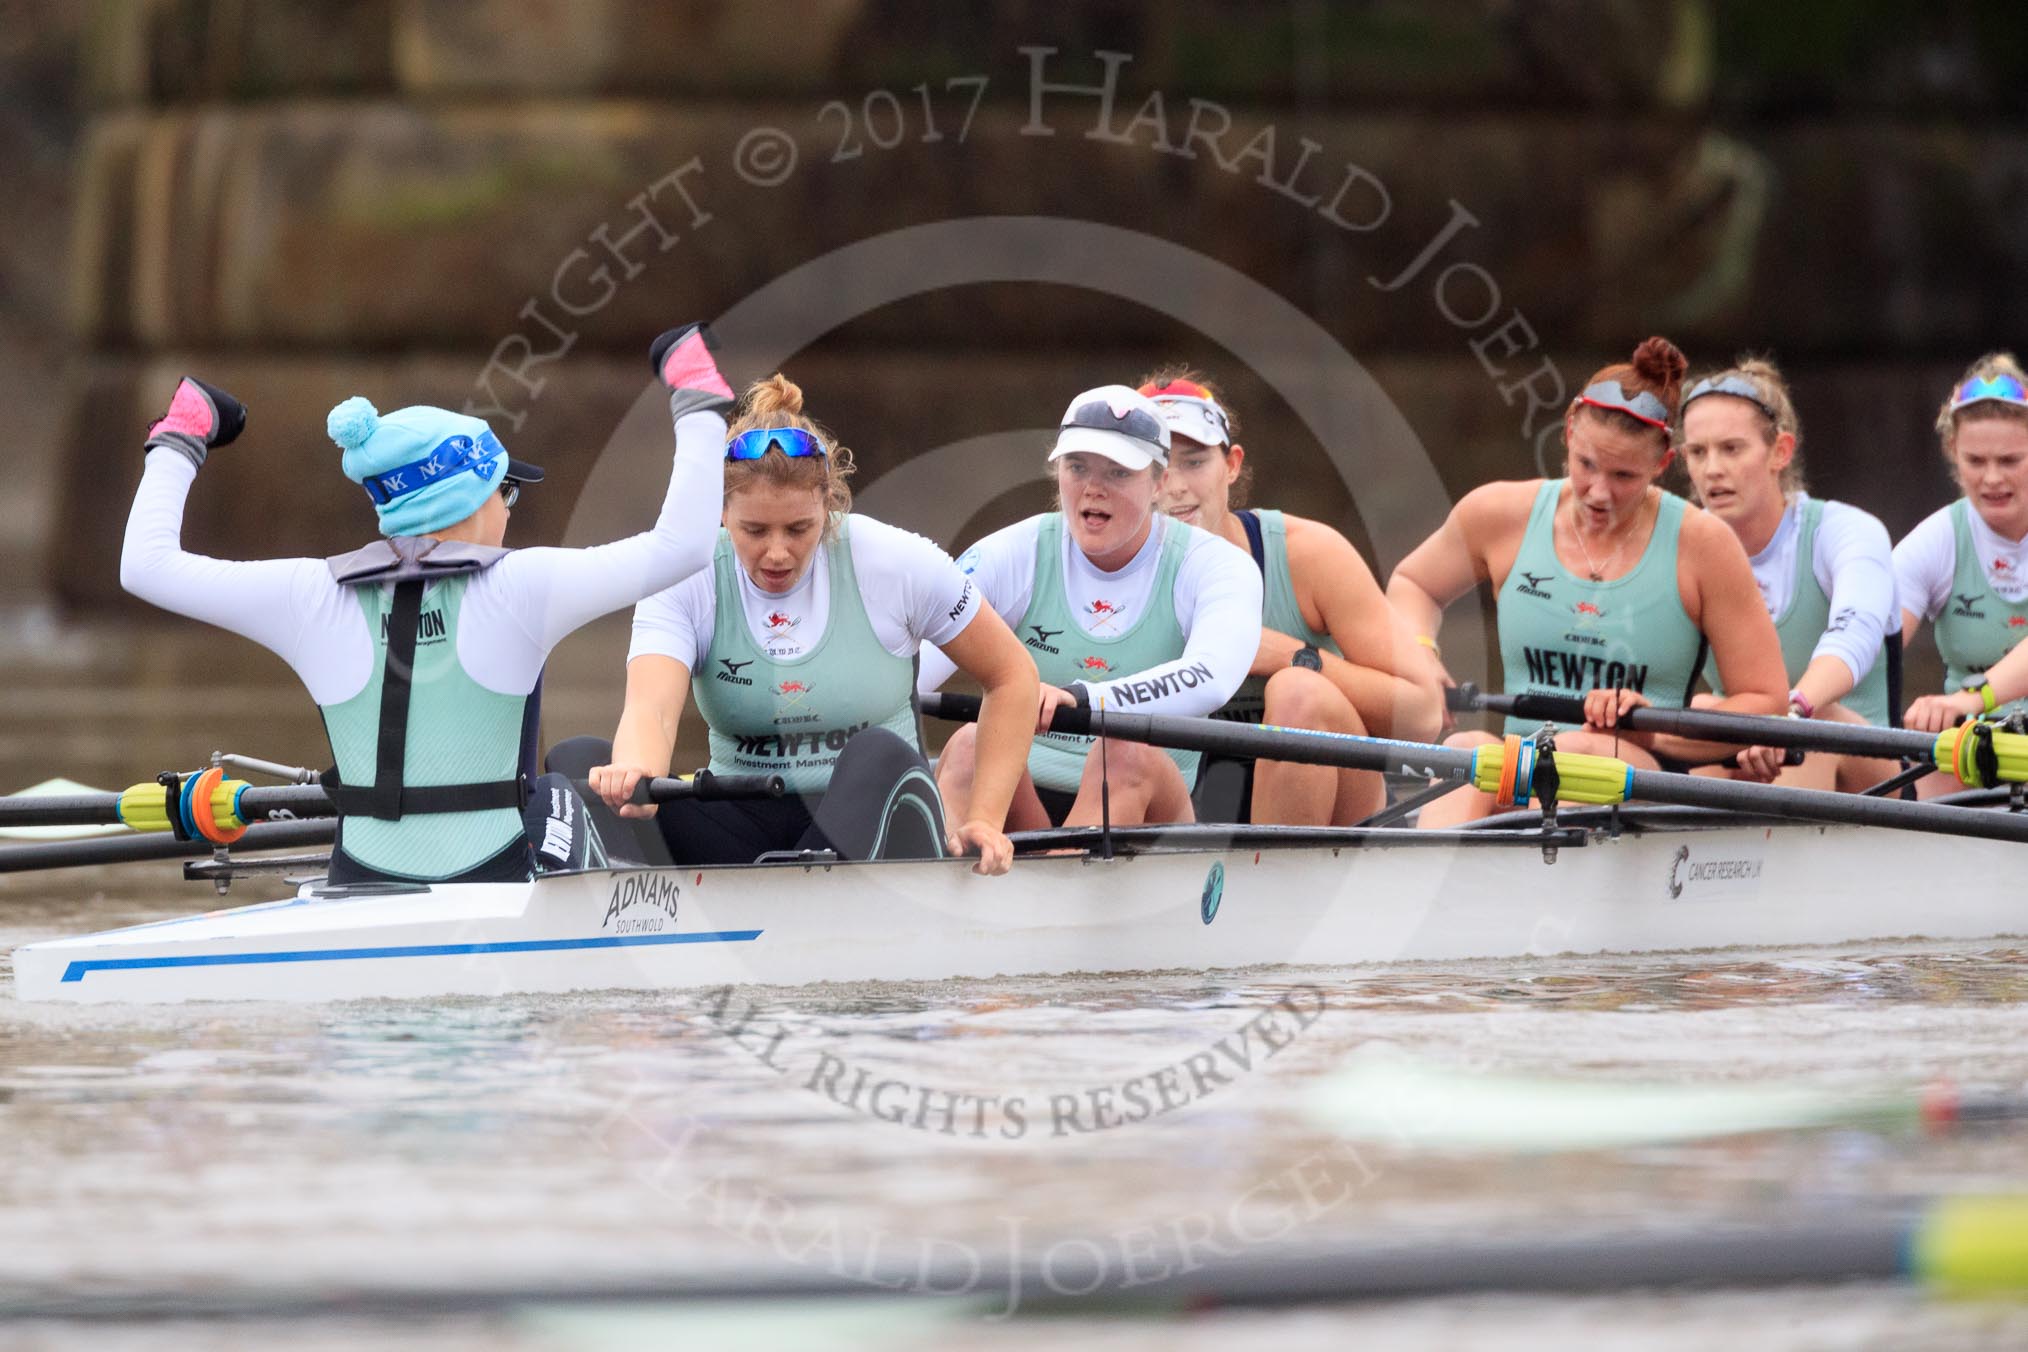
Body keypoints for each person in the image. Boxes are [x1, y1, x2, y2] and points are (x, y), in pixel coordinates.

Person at [119, 323, 731, 883]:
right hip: (493, 880)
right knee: (561, 785)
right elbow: (683, 546)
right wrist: (696, 398)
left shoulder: (312, 594)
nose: (509, 512)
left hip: (359, 879)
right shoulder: (522, 586)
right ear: (471, 498)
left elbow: (146, 566)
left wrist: (181, 439)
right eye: (506, 492)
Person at [576, 373, 1038, 875]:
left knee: (877, 754)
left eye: (799, 529)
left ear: (828, 506)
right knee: (581, 763)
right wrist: (635, 773)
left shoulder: (894, 562)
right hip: (747, 814)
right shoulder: (687, 575)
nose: (777, 552)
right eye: (755, 530)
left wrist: (985, 818)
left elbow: (1012, 675)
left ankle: (783, 896)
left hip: (883, 810)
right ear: (722, 513)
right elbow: (652, 711)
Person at [1386, 336, 1788, 827]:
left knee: (1574, 752)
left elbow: (1766, 703)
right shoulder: (1499, 513)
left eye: (1623, 476)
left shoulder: (1704, 545)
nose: (1599, 493)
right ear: (1570, 431)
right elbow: (1413, 584)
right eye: (1587, 465)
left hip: (1637, 775)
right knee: (1465, 749)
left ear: (1662, 464)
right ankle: (1439, 865)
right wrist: (1421, 653)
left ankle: (1507, 853)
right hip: (1519, 766)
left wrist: (1650, 729)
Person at [922, 385, 1263, 829]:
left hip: (1148, 810)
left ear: (1159, 483)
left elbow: (1211, 678)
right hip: (1021, 798)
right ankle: (978, 863)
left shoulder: (1214, 565)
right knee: (969, 745)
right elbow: (909, 672)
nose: (1093, 489)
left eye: (1119, 472)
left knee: (1122, 751)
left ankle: (1040, 869)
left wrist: (1083, 698)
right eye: (1077, 467)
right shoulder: (1012, 552)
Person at [1144, 368, 1441, 824]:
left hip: (1341, 808)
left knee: (1297, 690)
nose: (1176, 486)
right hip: (1192, 805)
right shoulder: (1095, 573)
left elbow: (1422, 715)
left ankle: (1279, 866)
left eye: (1194, 462)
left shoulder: (1310, 555)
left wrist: (1290, 656)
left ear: (1232, 465)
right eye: (1157, 467)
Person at [1675, 358, 1901, 792]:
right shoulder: (1683, 547)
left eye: (1731, 449)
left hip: (1874, 772)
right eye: (1698, 452)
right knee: (1701, 710)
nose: (1712, 469)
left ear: (1780, 451)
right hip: (1747, 749)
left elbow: (1855, 633)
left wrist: (1791, 713)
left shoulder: (1846, 531)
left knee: (1816, 721)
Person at [1896, 354, 2028, 764]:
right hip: (1974, 747)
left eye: (2009, 460)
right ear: (1953, 451)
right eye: (1976, 461)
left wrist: (1972, 697)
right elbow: (1869, 640)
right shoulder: (1937, 539)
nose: (1992, 478)